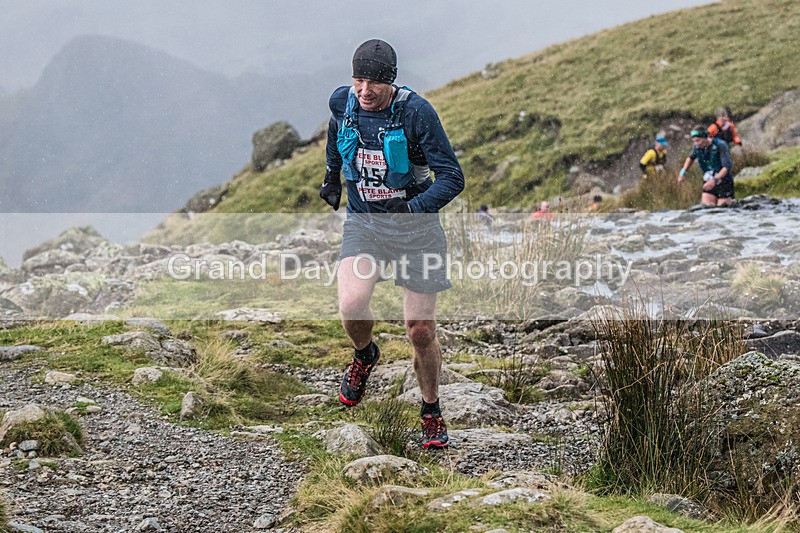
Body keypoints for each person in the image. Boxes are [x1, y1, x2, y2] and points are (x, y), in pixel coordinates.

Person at [320, 39, 464, 449]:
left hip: (416, 232)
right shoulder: (344, 103)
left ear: (391, 83)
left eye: (374, 83)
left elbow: (453, 177)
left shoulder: (417, 114)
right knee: (350, 304)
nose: (364, 90)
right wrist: (332, 178)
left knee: (419, 330)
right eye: (359, 79)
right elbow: (336, 135)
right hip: (365, 225)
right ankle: (365, 355)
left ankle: (431, 410)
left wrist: (413, 207)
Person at [677, 125, 734, 207]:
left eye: (697, 140)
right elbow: (690, 158)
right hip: (708, 181)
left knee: (723, 210)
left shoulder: (720, 145)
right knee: (707, 209)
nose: (696, 144)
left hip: (724, 182)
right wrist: (682, 173)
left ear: (705, 138)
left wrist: (714, 180)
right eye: (694, 141)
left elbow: (726, 168)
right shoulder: (697, 147)